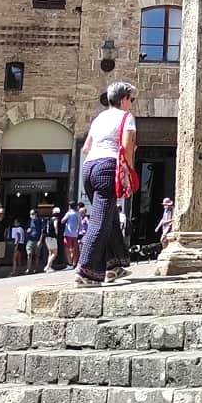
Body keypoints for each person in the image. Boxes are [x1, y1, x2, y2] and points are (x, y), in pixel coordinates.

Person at [75, 79, 138, 287]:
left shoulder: (99, 118)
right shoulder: (126, 117)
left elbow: (86, 147)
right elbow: (127, 146)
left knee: (108, 217)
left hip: (89, 167)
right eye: (131, 99)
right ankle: (86, 271)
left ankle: (114, 265)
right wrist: (128, 168)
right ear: (124, 99)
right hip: (108, 167)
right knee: (100, 222)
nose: (132, 103)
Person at [62, 202, 83, 266]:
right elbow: (80, 224)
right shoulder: (78, 214)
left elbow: (62, 221)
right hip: (75, 234)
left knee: (67, 248)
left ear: (69, 206)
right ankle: (74, 262)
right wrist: (78, 231)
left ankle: (70, 262)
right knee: (74, 249)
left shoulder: (68, 213)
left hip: (68, 233)